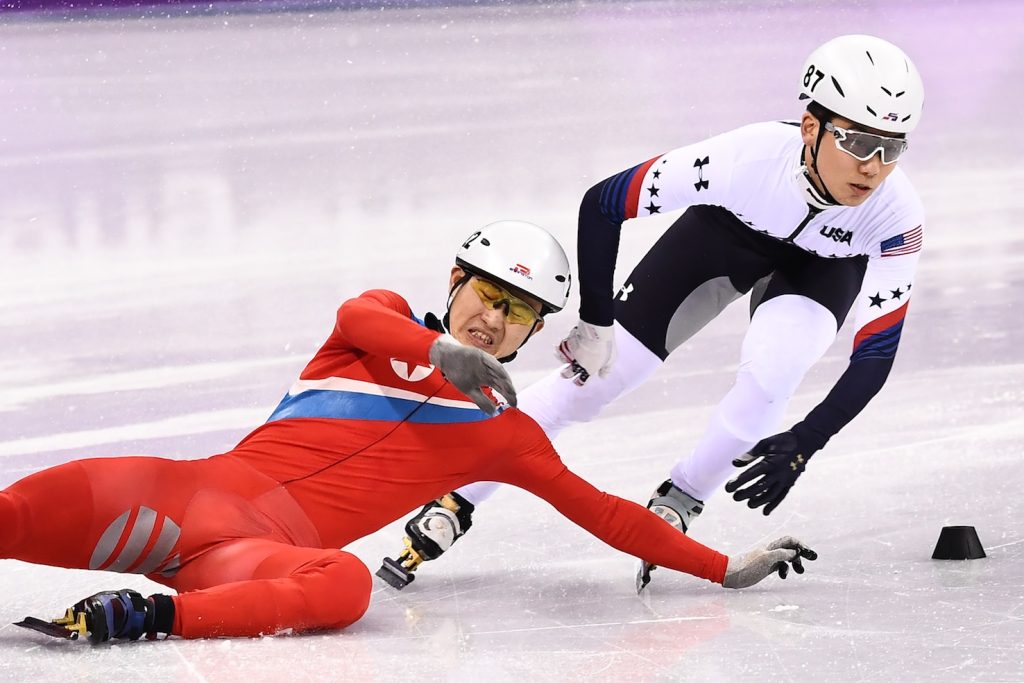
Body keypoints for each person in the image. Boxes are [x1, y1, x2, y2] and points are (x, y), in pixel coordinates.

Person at [1, 220, 814, 645]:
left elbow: (603, 512)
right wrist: (438, 351)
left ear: (535, 330)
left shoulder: (508, 436)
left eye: (518, 313)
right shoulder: (376, 322)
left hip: (249, 560)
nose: (494, 321)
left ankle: (144, 619)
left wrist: (721, 566)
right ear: (455, 281)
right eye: (487, 297)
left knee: (348, 588)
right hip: (177, 498)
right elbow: (360, 314)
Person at [392, 34, 923, 591]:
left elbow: (876, 354)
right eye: (860, 142)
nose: (873, 167)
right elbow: (603, 203)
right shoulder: (745, 157)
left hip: (824, 268)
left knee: (772, 383)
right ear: (811, 128)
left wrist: (810, 438)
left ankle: (684, 496)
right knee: (598, 378)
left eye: (893, 148)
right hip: (724, 237)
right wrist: (596, 321)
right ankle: (459, 496)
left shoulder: (896, 212)